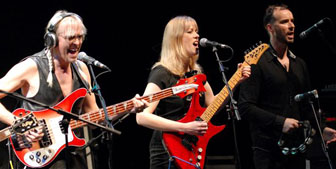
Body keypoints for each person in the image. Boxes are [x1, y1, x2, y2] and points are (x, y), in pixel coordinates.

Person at [0, 10, 146, 169]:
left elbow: (94, 118)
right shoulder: (31, 67)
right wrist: (19, 124)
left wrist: (129, 107)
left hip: (74, 155)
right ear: (52, 40)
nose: (76, 42)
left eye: (80, 37)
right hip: (37, 152)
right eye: (70, 38)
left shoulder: (82, 70)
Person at [135, 15, 251, 169]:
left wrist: (236, 81)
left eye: (197, 31)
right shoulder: (162, 72)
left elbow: (212, 106)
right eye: (190, 31)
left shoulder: (196, 74)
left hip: (191, 150)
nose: (197, 35)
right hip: (167, 151)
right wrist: (184, 127)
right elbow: (142, 117)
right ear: (176, 39)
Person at [237, 4, 336, 169]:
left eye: (292, 21)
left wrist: (322, 129)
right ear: (270, 28)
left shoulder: (299, 64)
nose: (291, 26)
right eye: (284, 22)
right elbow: (245, 107)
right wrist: (280, 122)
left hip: (296, 150)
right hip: (268, 152)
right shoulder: (256, 63)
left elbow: (306, 105)